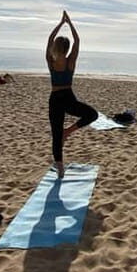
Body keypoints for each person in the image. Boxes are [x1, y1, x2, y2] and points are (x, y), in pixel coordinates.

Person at [46, 11, 98, 178]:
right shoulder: (71, 61)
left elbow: (49, 40)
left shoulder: (51, 61)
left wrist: (61, 24)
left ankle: (60, 166)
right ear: (67, 49)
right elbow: (77, 40)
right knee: (92, 114)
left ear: (55, 47)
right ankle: (68, 132)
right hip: (68, 97)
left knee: (56, 133)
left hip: (55, 98)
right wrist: (69, 23)